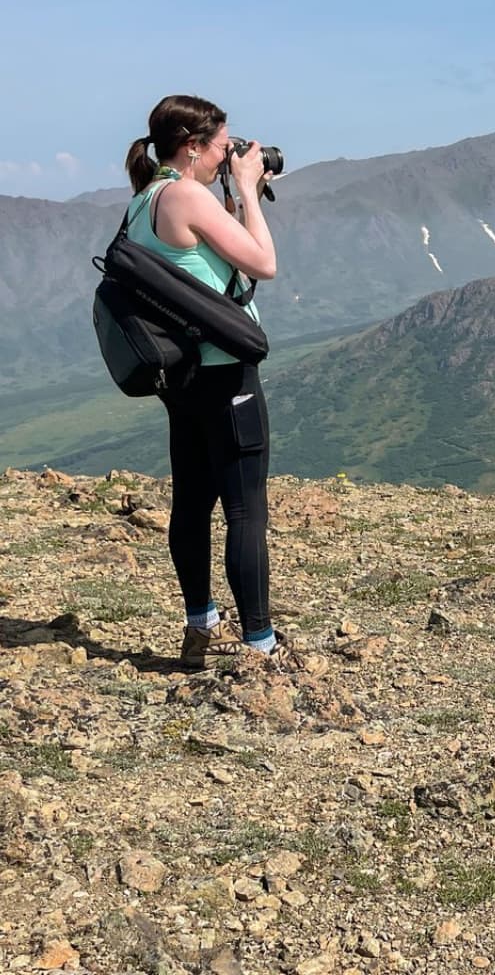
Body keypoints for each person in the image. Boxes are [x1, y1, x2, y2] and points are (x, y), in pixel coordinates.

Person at [124, 93, 281, 669]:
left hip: (182, 378)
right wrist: (245, 189)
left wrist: (240, 192)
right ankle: (259, 646)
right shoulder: (188, 194)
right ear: (192, 147)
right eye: (221, 146)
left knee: (191, 503)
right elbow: (262, 263)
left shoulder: (144, 200)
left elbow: (214, 264)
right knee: (245, 510)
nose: (228, 153)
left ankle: (200, 625)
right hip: (223, 372)